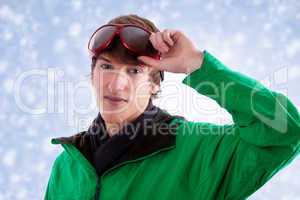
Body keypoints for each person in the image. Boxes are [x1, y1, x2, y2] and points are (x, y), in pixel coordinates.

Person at [44, 14, 300, 200]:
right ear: (92, 74)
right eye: (106, 66)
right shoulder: (68, 164)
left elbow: (284, 131)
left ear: (154, 84)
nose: (116, 84)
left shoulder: (196, 151)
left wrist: (198, 65)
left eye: (134, 71)